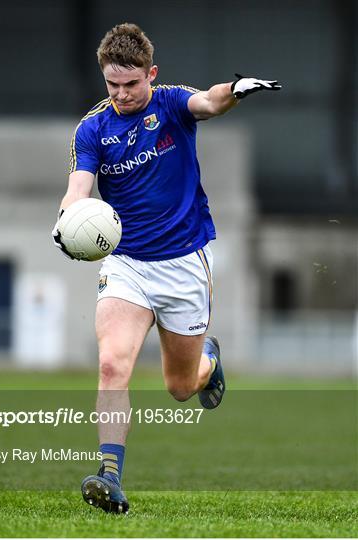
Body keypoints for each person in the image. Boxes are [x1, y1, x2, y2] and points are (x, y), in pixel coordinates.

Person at [52, 22, 281, 514]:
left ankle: (208, 362)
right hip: (127, 264)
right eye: (112, 85)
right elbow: (79, 186)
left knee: (180, 388)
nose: (121, 95)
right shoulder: (93, 128)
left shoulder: (172, 102)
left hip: (184, 263)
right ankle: (109, 474)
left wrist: (236, 90)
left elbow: (211, 102)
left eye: (131, 84)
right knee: (113, 364)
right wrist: (68, 216)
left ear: (150, 74)